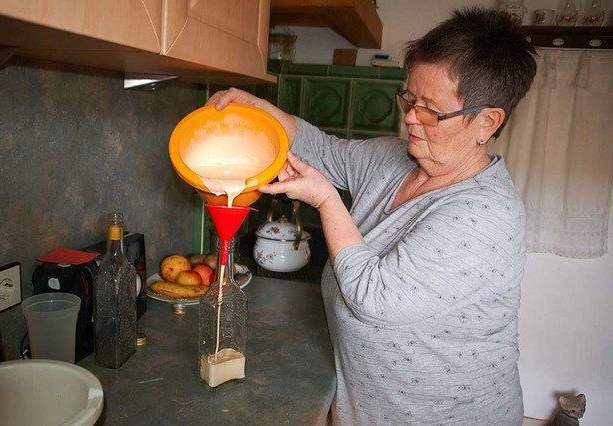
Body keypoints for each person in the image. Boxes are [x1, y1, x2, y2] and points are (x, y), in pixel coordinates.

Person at [207, 7, 536, 425]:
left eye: (431, 110)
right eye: (409, 99)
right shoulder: (392, 159)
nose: (410, 117)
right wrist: (258, 109)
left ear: (486, 122)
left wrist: (327, 201)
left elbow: (374, 298)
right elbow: (321, 149)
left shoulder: (487, 215)